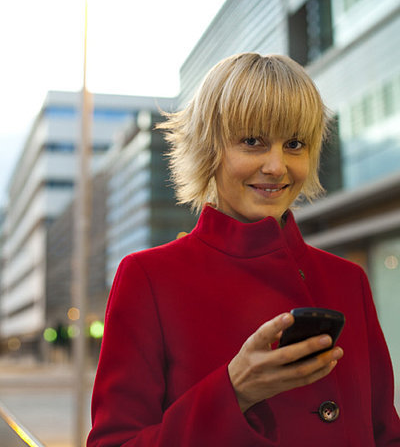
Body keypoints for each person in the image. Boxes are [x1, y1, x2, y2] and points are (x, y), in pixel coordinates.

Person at [87, 53, 400, 446]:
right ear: (209, 150)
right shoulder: (149, 277)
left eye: (295, 144)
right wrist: (234, 391)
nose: (276, 166)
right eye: (253, 142)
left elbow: (386, 433)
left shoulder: (348, 279)